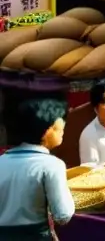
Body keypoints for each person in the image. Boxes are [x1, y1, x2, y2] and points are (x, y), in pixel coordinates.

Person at [0, 98, 74, 239]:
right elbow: (63, 215)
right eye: (58, 126)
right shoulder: (52, 165)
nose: (63, 130)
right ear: (46, 130)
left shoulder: (1, 161)